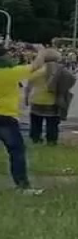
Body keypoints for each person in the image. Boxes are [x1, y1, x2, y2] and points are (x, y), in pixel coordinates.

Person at [0, 46, 42, 192]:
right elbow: (37, 66)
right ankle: (22, 185)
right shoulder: (11, 73)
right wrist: (40, 51)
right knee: (16, 151)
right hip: (6, 117)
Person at [24, 49, 67, 145]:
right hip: (51, 100)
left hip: (36, 98)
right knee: (52, 122)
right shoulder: (59, 70)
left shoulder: (36, 69)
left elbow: (28, 86)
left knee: (35, 121)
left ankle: (35, 138)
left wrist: (26, 98)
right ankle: (51, 140)